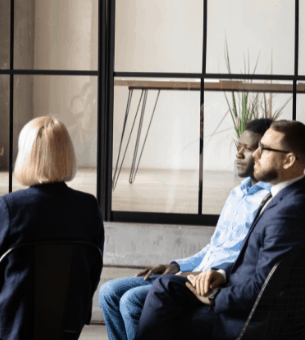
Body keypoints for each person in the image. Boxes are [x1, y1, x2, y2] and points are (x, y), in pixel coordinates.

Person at [99, 118, 274, 340]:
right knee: (108, 293)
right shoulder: (236, 194)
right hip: (190, 272)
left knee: (130, 301)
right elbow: (214, 246)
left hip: (207, 280)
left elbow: (244, 263)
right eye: (237, 146)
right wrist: (176, 265)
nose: (238, 154)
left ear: (263, 153)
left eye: (247, 149)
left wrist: (204, 274)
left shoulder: (269, 201)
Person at [134, 120, 305, 340]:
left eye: (264, 149)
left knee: (159, 295)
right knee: (166, 286)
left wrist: (216, 296)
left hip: (245, 320)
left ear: (288, 160)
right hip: (235, 289)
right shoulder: (285, 197)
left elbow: (264, 288)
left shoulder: (288, 212)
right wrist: (222, 273)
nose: (255, 155)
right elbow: (256, 263)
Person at [0, 117, 105, 340]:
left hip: (13, 325)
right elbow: (92, 275)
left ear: (26, 155)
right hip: (67, 326)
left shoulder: (9, 207)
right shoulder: (88, 207)